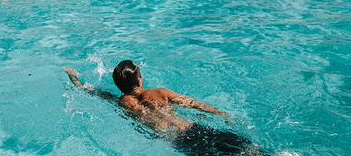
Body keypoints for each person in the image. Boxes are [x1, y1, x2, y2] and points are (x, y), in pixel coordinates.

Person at [64, 60, 268, 156]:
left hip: (178, 142)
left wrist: (75, 79)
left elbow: (94, 93)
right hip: (191, 128)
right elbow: (195, 104)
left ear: (120, 87)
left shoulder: (122, 102)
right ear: (140, 79)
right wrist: (222, 114)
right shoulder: (160, 93)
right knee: (244, 147)